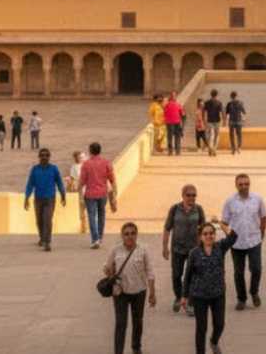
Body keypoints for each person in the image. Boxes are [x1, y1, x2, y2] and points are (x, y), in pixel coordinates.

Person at [181, 221, 237, 354]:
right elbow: (187, 275)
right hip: (199, 296)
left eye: (211, 233)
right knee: (201, 328)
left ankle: (214, 341)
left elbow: (233, 237)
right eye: (205, 234)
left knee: (219, 324)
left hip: (218, 294)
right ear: (200, 236)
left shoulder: (220, 247)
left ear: (215, 235)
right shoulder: (194, 253)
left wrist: (220, 224)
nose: (209, 236)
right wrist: (184, 296)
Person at [103, 221, 156, 354]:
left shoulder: (143, 250)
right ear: (122, 236)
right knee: (121, 323)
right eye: (126, 234)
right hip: (120, 293)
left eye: (132, 233)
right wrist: (112, 275)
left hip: (139, 292)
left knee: (138, 322)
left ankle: (136, 347)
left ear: (136, 235)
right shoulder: (115, 250)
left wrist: (152, 293)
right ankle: (118, 351)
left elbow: (150, 272)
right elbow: (107, 267)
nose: (130, 236)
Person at [220, 173, 266, 310]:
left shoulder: (257, 199)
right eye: (240, 184)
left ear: (249, 184)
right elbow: (224, 222)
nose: (243, 187)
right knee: (238, 272)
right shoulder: (230, 202)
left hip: (254, 240)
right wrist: (229, 234)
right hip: (237, 243)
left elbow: (263, 217)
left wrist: (261, 235)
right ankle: (241, 299)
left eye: (246, 184)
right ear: (236, 185)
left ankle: (254, 292)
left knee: (256, 269)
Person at [163, 184, 206, 315]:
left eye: (194, 195)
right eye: (189, 195)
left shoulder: (198, 209)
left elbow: (203, 230)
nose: (191, 197)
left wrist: (204, 249)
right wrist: (164, 247)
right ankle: (178, 297)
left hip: (194, 250)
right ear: (182, 196)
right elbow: (167, 228)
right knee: (176, 275)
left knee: (192, 277)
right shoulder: (175, 209)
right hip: (177, 248)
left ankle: (189, 303)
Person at [22, 148, 67, 251]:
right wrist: (27, 197)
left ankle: (47, 242)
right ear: (39, 157)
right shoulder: (35, 169)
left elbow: (59, 182)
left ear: (49, 157)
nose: (44, 157)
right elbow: (30, 184)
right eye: (42, 155)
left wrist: (63, 194)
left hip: (50, 198)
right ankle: (42, 238)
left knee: (47, 219)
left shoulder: (54, 169)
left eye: (46, 155)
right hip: (38, 198)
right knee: (39, 220)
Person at [81, 141, 118, 248]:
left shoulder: (86, 164)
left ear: (90, 151)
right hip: (102, 193)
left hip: (90, 194)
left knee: (92, 216)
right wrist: (114, 195)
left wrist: (80, 195)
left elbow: (82, 181)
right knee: (101, 215)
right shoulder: (106, 163)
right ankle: (100, 237)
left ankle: (95, 239)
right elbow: (112, 179)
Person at [69, 150, 87, 232]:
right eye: (81, 157)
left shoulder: (87, 165)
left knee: (89, 210)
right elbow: (72, 179)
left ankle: (87, 227)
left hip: (88, 191)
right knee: (82, 211)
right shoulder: (75, 167)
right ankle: (84, 227)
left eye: (83, 157)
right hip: (81, 191)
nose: (83, 158)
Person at [203, 90, 225, 156]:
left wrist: (204, 120)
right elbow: (222, 112)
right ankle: (214, 149)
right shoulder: (219, 102)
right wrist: (224, 120)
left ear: (211, 94)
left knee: (210, 136)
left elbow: (204, 112)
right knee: (216, 136)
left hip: (209, 121)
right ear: (217, 95)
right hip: (217, 121)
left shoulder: (207, 102)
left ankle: (210, 148)